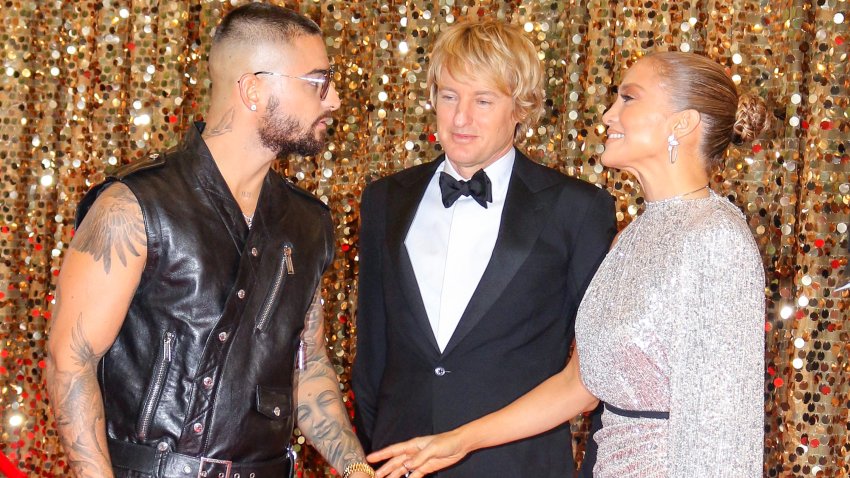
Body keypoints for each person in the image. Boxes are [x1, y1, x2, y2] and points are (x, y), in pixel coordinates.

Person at [368, 51, 769, 478]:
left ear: (682, 123)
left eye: (629, 98)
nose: (608, 115)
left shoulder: (714, 237)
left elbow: (724, 437)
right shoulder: (633, 235)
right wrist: (459, 441)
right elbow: (579, 383)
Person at [44, 4, 374, 478]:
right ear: (253, 89)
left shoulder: (308, 222)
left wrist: (358, 470)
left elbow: (309, 365)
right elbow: (70, 361)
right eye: (317, 82)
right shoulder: (134, 205)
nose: (335, 99)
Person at [351, 19, 617, 477]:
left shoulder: (577, 209)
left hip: (520, 467)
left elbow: (596, 370)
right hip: (400, 463)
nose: (460, 118)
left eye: (483, 100)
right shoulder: (385, 199)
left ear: (521, 107)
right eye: (449, 96)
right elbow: (372, 354)